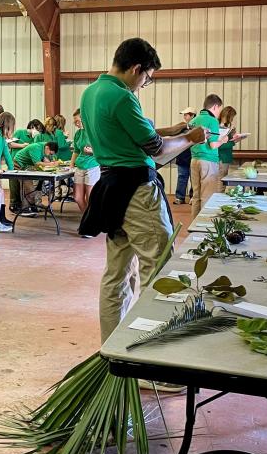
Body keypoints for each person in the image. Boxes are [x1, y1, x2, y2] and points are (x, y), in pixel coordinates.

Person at [77, 37, 206, 355]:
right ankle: (156, 363)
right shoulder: (122, 96)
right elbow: (158, 152)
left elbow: (130, 135)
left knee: (117, 274)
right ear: (137, 69)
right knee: (158, 272)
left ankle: (113, 352)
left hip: (112, 190)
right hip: (136, 192)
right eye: (147, 78)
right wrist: (190, 137)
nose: (145, 84)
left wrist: (172, 130)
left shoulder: (91, 92)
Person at [188, 94, 230, 217]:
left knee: (196, 196)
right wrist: (223, 140)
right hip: (208, 161)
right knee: (207, 195)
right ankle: (203, 227)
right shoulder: (212, 121)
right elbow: (212, 145)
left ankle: (194, 225)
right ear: (215, 106)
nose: (219, 113)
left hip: (194, 159)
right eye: (220, 109)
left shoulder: (193, 121)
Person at [12, 140, 59, 216]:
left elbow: (43, 159)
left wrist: (49, 162)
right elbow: (37, 163)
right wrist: (51, 164)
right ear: (47, 148)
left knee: (31, 187)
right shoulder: (36, 148)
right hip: (18, 164)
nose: (50, 155)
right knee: (27, 187)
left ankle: (32, 206)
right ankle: (24, 209)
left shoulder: (44, 146)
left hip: (26, 166)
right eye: (50, 153)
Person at [69, 109, 99, 214]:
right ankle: (87, 220)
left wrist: (93, 151)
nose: (76, 124)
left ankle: (91, 223)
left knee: (90, 198)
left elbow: (104, 150)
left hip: (92, 167)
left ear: (85, 119)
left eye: (78, 121)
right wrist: (71, 164)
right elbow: (76, 151)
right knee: (77, 197)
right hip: (80, 167)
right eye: (74, 122)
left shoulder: (94, 131)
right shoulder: (78, 134)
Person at [173, 107, 196, 204]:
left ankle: (193, 197)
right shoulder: (181, 127)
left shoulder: (197, 128)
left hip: (193, 156)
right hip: (182, 156)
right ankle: (179, 197)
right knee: (182, 177)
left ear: (192, 115)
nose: (184, 117)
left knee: (193, 178)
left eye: (186, 115)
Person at [217, 105, 244, 179]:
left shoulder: (226, 127)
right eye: (232, 117)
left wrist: (235, 137)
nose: (232, 120)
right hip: (221, 158)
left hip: (225, 157)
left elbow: (227, 140)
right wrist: (233, 142)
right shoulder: (218, 127)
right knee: (221, 182)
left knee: (222, 181)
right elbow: (220, 145)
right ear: (228, 116)